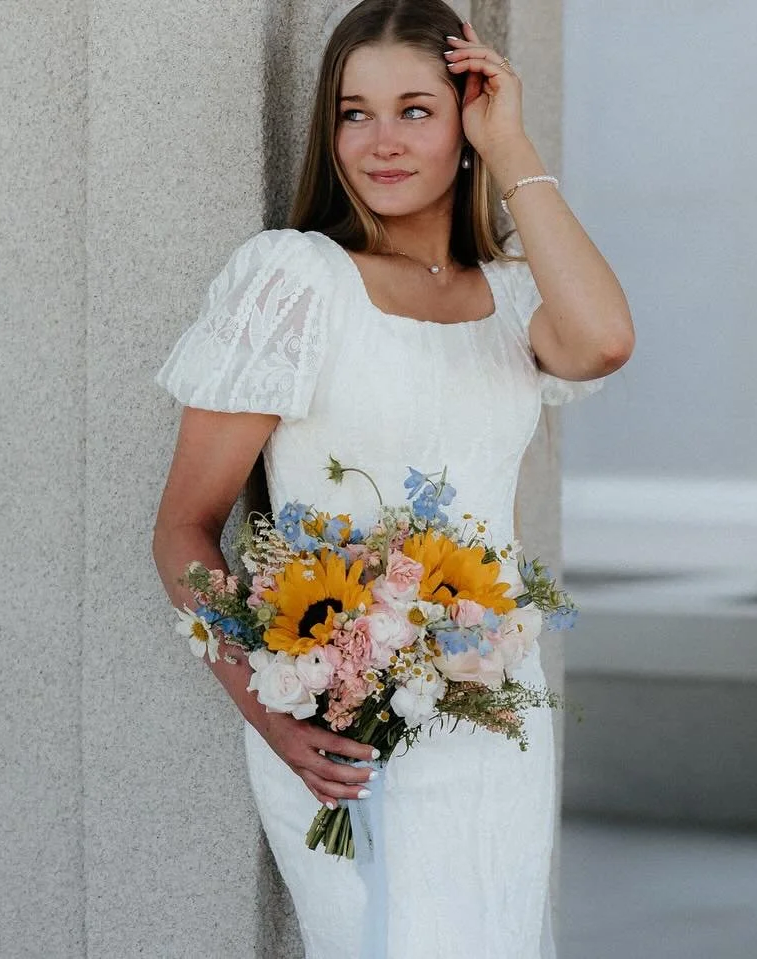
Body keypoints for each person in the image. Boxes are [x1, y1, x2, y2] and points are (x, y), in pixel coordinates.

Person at [151, 1, 633, 955]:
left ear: (466, 121)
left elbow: (605, 340)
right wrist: (271, 711)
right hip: (336, 724)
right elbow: (184, 529)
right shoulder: (294, 279)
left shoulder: (516, 298)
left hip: (491, 711)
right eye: (353, 111)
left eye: (416, 109)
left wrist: (514, 146)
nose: (380, 140)